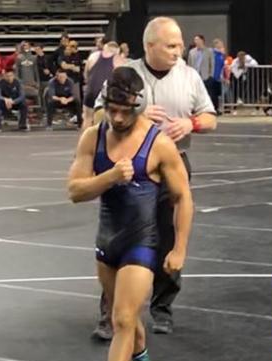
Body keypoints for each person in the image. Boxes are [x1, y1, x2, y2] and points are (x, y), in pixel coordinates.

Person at [67, 66, 193, 361]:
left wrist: (179, 248)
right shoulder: (92, 137)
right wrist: (110, 176)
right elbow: (74, 191)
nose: (118, 117)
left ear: (138, 106)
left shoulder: (159, 144)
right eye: (112, 109)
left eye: (125, 111)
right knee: (126, 315)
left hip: (142, 243)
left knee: (123, 316)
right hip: (107, 242)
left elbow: (183, 198)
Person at [91, 16, 216, 339]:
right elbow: (98, 114)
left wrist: (191, 124)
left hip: (172, 163)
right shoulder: (125, 75)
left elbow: (210, 117)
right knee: (118, 239)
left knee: (167, 236)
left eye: (180, 45)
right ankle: (110, 315)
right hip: (130, 167)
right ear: (150, 46)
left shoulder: (189, 77)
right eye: (171, 45)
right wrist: (133, 113)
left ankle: (162, 309)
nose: (178, 51)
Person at [82, 41, 125, 130]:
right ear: (117, 51)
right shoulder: (119, 60)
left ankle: (85, 138)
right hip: (105, 93)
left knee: (87, 118)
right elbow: (122, 81)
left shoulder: (93, 56)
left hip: (91, 91)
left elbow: (86, 75)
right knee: (107, 120)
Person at [187, 35, 216, 112]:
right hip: (194, 76)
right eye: (195, 40)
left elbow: (212, 63)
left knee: (207, 93)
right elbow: (189, 64)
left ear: (202, 41)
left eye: (197, 39)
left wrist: (211, 75)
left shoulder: (209, 51)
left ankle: (208, 109)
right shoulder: (192, 52)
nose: (196, 41)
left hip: (205, 76)